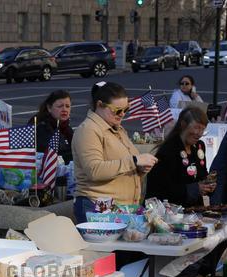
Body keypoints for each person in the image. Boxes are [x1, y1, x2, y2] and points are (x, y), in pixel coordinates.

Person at [72, 81, 157, 222]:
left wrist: (140, 169)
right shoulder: (88, 130)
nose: (122, 114)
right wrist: (134, 161)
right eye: (117, 110)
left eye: (126, 109)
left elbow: (122, 167)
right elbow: (94, 170)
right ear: (100, 105)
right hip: (97, 207)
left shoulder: (117, 128)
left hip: (119, 209)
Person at [146, 105, 214, 207]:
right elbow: (162, 187)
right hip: (172, 209)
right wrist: (195, 189)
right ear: (183, 125)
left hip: (194, 209)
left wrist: (208, 184)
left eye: (203, 129)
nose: (199, 133)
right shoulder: (169, 149)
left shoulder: (199, 147)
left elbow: (201, 174)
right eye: (196, 127)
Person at [31, 89, 74, 163]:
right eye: (60, 106)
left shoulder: (66, 128)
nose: (64, 109)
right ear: (49, 108)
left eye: (67, 106)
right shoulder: (41, 128)